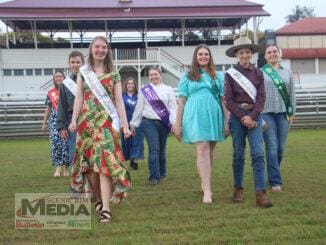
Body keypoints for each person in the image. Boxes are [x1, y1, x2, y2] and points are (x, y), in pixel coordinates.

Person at [68, 36, 132, 223]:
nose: (101, 50)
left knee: (104, 164)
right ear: (91, 49)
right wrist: (73, 120)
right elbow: (78, 98)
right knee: (89, 166)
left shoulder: (114, 74)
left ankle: (105, 208)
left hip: (106, 124)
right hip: (86, 124)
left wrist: (125, 125)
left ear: (107, 51)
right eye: (97, 47)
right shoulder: (83, 72)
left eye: (104, 47)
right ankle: (97, 199)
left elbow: (119, 101)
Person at [174, 44, 229, 204]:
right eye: (200, 54)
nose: (203, 57)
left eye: (206, 54)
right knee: (202, 149)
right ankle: (207, 191)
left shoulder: (218, 76)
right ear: (195, 57)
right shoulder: (188, 76)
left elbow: (222, 99)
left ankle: (205, 184)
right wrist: (177, 124)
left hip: (213, 114)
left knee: (210, 152)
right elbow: (181, 101)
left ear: (209, 56)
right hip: (195, 114)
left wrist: (227, 120)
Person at [224, 36, 272, 208]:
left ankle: (261, 193)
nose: (244, 55)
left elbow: (261, 98)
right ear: (237, 55)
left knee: (258, 154)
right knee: (238, 154)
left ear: (251, 54)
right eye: (241, 52)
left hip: (255, 115)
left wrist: (252, 116)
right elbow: (228, 100)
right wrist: (243, 116)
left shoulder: (259, 73)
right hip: (237, 118)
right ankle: (238, 188)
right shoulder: (230, 75)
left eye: (247, 52)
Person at [130, 66, 177, 185]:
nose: (153, 76)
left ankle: (162, 173)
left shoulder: (168, 90)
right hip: (148, 122)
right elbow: (138, 108)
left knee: (162, 149)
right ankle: (154, 177)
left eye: (155, 74)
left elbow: (173, 108)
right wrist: (133, 124)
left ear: (160, 75)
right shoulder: (144, 90)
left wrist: (173, 122)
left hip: (163, 123)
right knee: (154, 149)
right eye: (151, 75)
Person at [261, 44, 296, 192]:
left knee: (281, 148)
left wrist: (292, 112)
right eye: (269, 52)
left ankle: (272, 171)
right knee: (272, 146)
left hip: (283, 113)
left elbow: (292, 93)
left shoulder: (287, 72)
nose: (272, 54)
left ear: (279, 53)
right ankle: (275, 180)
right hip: (266, 113)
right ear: (265, 56)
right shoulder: (260, 73)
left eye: (274, 51)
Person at [41, 71, 69, 177]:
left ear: (64, 78)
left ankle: (66, 168)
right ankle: (58, 168)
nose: (58, 78)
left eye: (60, 76)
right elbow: (48, 108)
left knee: (66, 144)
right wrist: (44, 123)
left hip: (66, 120)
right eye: (56, 77)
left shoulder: (68, 90)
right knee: (56, 144)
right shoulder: (50, 93)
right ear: (54, 79)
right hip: (54, 121)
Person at [121, 77, 144, 170]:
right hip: (125, 120)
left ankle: (135, 160)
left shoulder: (139, 96)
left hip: (137, 121)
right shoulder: (122, 97)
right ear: (126, 85)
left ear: (135, 85)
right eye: (129, 84)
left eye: (132, 84)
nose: (130, 85)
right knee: (127, 141)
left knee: (137, 140)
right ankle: (130, 158)